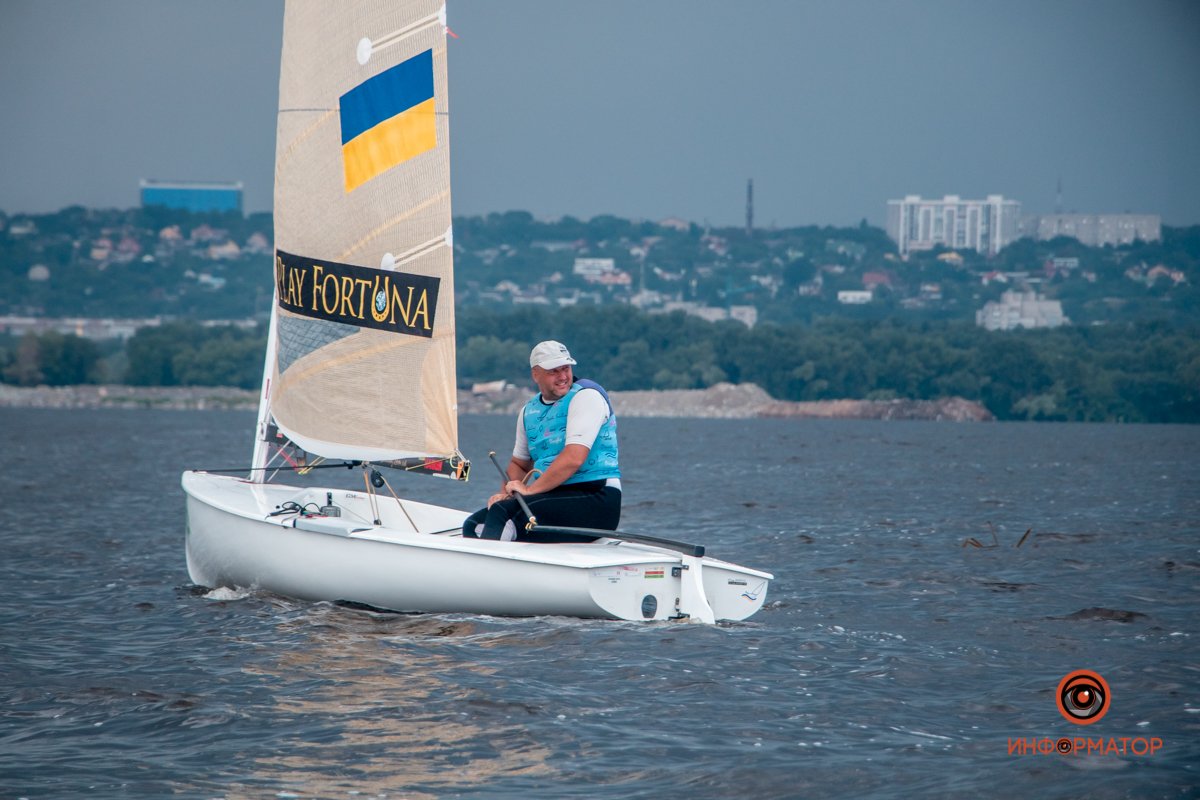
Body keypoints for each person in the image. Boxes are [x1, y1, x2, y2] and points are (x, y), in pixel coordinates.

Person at [462, 340, 620, 543]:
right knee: (474, 525)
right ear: (535, 374)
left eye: (566, 368)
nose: (563, 376)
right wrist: (505, 495)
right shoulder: (529, 411)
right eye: (554, 371)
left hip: (597, 498)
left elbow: (574, 458)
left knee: (503, 515)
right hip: (554, 496)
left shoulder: (587, 396)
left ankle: (484, 571)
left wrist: (529, 490)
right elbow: (520, 464)